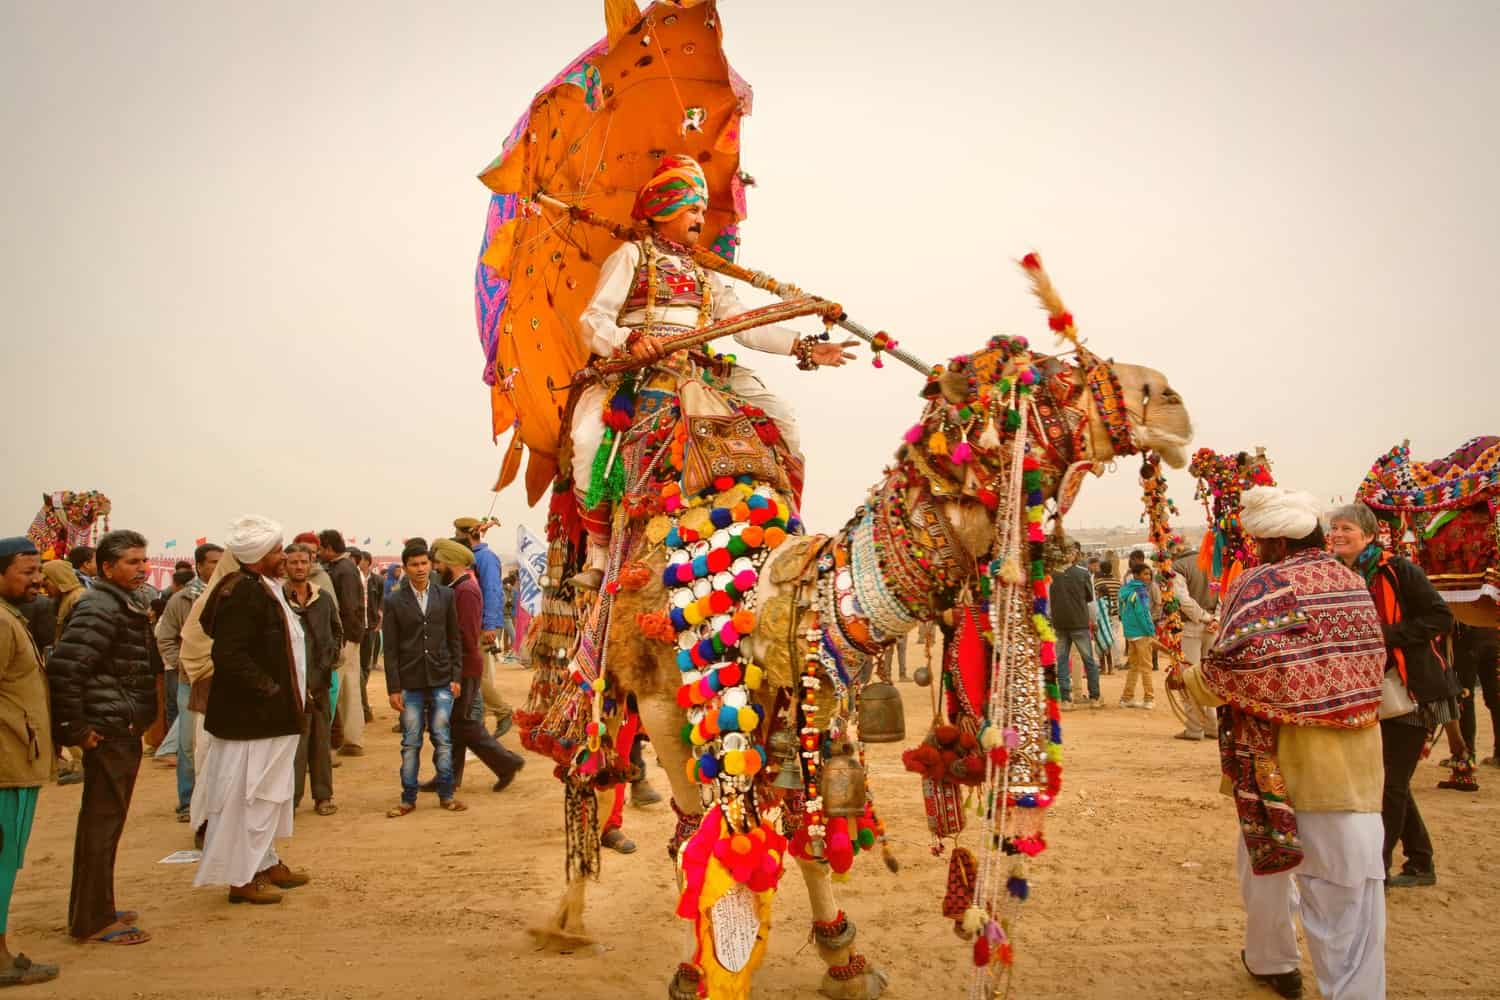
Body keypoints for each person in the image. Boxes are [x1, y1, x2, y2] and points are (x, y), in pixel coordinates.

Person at [567, 154, 854, 589]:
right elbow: (593, 320)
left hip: (699, 373)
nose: (701, 217)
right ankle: (599, 551)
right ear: (664, 209)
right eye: (692, 208)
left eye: (702, 209)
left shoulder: (706, 272)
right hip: (634, 373)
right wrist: (630, 341)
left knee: (782, 419)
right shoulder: (630, 256)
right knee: (588, 442)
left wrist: (805, 347)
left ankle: (790, 526)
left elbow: (743, 327)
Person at [1176, 487, 1386, 999]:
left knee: (1265, 867)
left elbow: (1235, 666)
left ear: (1271, 542)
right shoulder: (1351, 581)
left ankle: (1275, 963)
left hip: (1280, 770)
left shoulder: (1263, 583)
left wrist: (1190, 680)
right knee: (1350, 907)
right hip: (1356, 772)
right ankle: (1340, 987)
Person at [1327, 502, 1461, 884]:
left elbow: (1439, 617)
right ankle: (1421, 860)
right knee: (1389, 779)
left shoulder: (1399, 571)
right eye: (1334, 528)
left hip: (1411, 689)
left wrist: (1387, 635)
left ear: (1369, 535)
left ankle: (1376, 871)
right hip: (1373, 692)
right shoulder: (1339, 575)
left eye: (1346, 528)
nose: (1337, 534)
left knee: (1391, 782)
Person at [193, 516, 310, 905]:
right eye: (278, 551)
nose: (284, 555)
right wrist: (270, 689)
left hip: (274, 717)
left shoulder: (264, 587)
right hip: (254, 719)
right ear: (259, 556)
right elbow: (229, 654)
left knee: (270, 796)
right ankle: (241, 878)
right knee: (250, 797)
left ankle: (265, 861)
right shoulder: (243, 592)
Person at [48, 530, 157, 945]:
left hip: (119, 725)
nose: (142, 569)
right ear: (106, 566)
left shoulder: (121, 602)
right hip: (107, 729)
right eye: (131, 562)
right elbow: (66, 669)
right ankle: (93, 919)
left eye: (143, 561)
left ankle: (98, 907)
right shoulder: (98, 606)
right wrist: (77, 731)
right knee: (101, 823)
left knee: (107, 823)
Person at [0, 538, 60, 986]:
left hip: (19, 758)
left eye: (38, 570)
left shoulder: (12, 617)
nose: (37, 579)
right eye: (26, 571)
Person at [428, 540, 523, 794]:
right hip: (461, 664)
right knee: (456, 723)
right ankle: (447, 776)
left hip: (464, 666)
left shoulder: (466, 591)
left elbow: (466, 635)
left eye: (439, 562)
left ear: (451, 563)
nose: (436, 567)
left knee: (461, 722)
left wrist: (452, 665)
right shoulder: (458, 587)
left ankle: (506, 763)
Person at [383, 541, 464, 816]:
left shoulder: (445, 596)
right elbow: (390, 649)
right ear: (405, 568)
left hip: (442, 678)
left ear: (431, 565)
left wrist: (456, 676)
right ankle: (408, 798)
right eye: (414, 565)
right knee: (411, 743)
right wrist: (394, 688)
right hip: (410, 682)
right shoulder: (394, 601)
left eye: (424, 563)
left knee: (442, 739)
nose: (420, 569)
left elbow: (455, 638)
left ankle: (447, 794)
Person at [155, 543, 223, 822]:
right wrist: (184, 664)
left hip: (223, 680)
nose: (217, 567)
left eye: (221, 561)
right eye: (212, 562)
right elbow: (166, 638)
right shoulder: (181, 600)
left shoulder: (229, 593)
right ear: (199, 566)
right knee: (187, 742)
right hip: (190, 680)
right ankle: (187, 800)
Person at [283, 544, 340, 816]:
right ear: (285, 566)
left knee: (320, 743)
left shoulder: (323, 598)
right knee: (293, 748)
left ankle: (323, 796)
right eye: (292, 562)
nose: (298, 567)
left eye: (303, 562)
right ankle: (290, 800)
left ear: (310, 564)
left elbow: (336, 632)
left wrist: (329, 661)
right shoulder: (278, 598)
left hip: (319, 682)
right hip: (290, 685)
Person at [453, 518, 513, 736]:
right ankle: (482, 723)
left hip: (482, 625)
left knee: (476, 676)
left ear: (466, 534)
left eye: (457, 533)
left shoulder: (485, 558)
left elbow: (492, 592)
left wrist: (489, 625)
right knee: (478, 676)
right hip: (474, 624)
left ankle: (502, 712)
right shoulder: (469, 557)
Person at [317, 530, 366, 757]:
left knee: (341, 688)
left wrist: (342, 637)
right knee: (349, 687)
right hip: (351, 635)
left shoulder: (343, 570)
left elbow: (347, 606)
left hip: (346, 636)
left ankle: (346, 739)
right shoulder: (345, 567)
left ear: (328, 547)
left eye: (319, 549)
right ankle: (352, 739)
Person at [40, 560, 86, 785]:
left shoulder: (78, 599)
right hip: (67, 668)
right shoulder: (65, 600)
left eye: (47, 579)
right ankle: (76, 763)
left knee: (74, 716)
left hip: (75, 671)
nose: (43, 584)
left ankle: (81, 764)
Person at [1170, 541, 1221, 741]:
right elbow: (1223, 594)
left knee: (1190, 678)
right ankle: (1212, 726)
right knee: (1208, 678)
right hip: (1212, 628)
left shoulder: (1179, 568)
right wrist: (1215, 619)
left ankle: (1194, 728)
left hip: (1191, 627)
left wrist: (1203, 617)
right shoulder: (1212, 565)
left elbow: (1183, 599)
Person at [1049, 546, 1099, 709]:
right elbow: (1090, 599)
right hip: (1079, 622)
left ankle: (1065, 700)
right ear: (1074, 556)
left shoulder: (1052, 574)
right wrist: (1094, 620)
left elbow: (1049, 600)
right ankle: (1094, 697)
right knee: (1088, 660)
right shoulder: (1083, 573)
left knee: (1062, 661)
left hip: (1060, 623)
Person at [1453, 623, 1499, 767]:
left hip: (1467, 636)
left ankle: (1467, 753)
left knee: (1465, 696)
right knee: (1496, 697)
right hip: (1494, 634)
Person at [1117, 564, 1156, 709]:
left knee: (1134, 666)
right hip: (1142, 633)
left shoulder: (1125, 590)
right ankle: (1149, 698)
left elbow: (1122, 612)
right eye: (1145, 574)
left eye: (1149, 574)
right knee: (1146, 667)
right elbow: (1143, 614)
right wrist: (1151, 631)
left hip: (1130, 634)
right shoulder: (1141, 591)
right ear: (1137, 575)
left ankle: (1127, 698)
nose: (1148, 577)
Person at [358, 549, 383, 724]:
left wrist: (379, 618)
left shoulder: (377, 580)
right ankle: (361, 700)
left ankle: (362, 692)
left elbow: (382, 601)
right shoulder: (353, 579)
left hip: (371, 626)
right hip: (356, 627)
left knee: (366, 664)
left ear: (368, 562)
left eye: (361, 560)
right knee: (356, 666)